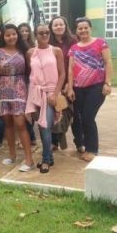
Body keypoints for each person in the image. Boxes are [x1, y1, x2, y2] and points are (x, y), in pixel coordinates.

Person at [67, 17, 113, 162]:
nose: (83, 30)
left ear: (90, 28)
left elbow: (108, 62)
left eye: (85, 27)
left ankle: (92, 149)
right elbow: (70, 69)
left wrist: (108, 83)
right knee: (80, 118)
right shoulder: (74, 48)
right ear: (76, 31)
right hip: (78, 88)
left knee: (88, 117)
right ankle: (86, 146)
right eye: (80, 28)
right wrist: (70, 88)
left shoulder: (100, 43)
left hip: (96, 87)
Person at [0, 24, 34, 171]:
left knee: (20, 123)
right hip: (3, 91)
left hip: (20, 89)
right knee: (8, 124)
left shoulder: (25, 51)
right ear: (3, 37)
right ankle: (12, 155)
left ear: (18, 35)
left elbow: (31, 72)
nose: (11, 37)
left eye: (14, 34)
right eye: (8, 35)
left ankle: (29, 160)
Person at [25, 25, 65, 174]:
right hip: (36, 93)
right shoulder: (30, 52)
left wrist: (55, 94)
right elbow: (31, 74)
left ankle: (46, 160)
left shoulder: (56, 51)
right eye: (41, 33)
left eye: (47, 32)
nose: (44, 35)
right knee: (41, 126)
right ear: (35, 35)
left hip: (50, 94)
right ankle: (50, 157)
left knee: (45, 125)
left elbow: (62, 74)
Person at [49, 16, 79, 151]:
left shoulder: (73, 41)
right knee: (57, 112)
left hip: (71, 83)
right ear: (51, 27)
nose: (58, 27)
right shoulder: (48, 42)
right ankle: (55, 141)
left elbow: (76, 64)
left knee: (72, 113)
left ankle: (79, 142)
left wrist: (69, 83)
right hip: (53, 83)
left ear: (65, 26)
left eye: (61, 24)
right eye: (55, 25)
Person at [18, 22, 38, 147]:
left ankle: (32, 137)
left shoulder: (34, 46)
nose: (24, 33)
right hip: (20, 80)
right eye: (22, 31)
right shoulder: (16, 46)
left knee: (30, 109)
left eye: (26, 31)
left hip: (32, 80)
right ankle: (30, 137)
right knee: (23, 110)